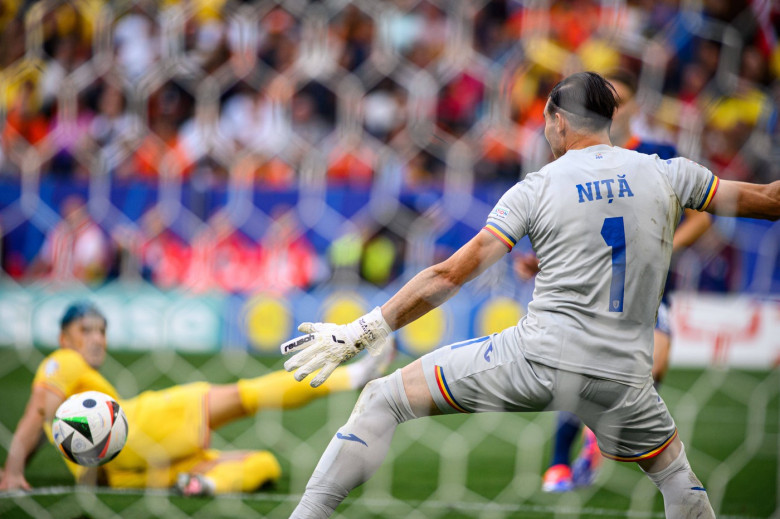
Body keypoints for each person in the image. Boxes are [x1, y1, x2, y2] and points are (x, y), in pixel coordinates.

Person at [280, 71, 779, 519]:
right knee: (676, 479)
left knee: (383, 397)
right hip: (628, 377)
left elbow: (450, 275)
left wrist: (363, 330)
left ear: (559, 122)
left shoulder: (537, 187)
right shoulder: (670, 173)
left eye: (545, 121)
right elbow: (771, 202)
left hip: (539, 360)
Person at [518, 69, 715, 492]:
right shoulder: (574, 162)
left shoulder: (656, 154)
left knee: (653, 366)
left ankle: (595, 439)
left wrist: (665, 247)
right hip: (591, 287)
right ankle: (558, 463)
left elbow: (702, 216)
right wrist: (540, 261)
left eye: (620, 101)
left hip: (649, 286)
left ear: (631, 109)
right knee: (578, 371)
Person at [0, 301, 391, 496]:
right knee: (247, 394)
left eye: (101, 330)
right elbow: (37, 412)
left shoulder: (79, 379)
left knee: (263, 464)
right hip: (144, 423)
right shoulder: (62, 361)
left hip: (123, 473)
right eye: (86, 330)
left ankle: (203, 483)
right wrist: (13, 470)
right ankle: (353, 376)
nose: (97, 338)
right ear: (64, 338)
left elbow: (46, 424)